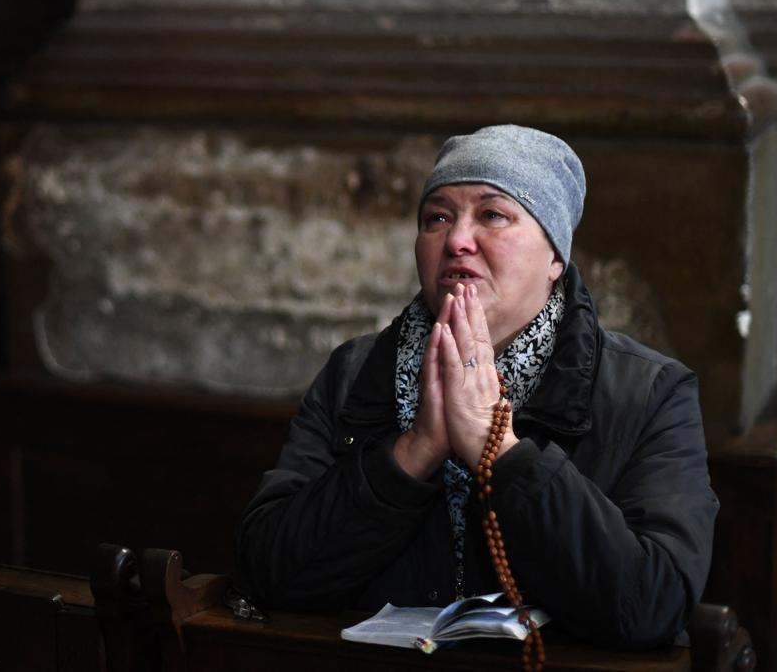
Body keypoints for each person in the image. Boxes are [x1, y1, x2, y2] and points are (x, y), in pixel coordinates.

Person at [232, 125, 718, 649]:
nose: (457, 240)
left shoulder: (650, 392)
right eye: (436, 218)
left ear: (556, 257)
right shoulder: (355, 371)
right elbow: (266, 573)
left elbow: (651, 606)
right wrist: (412, 453)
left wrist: (500, 450)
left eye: (492, 215)